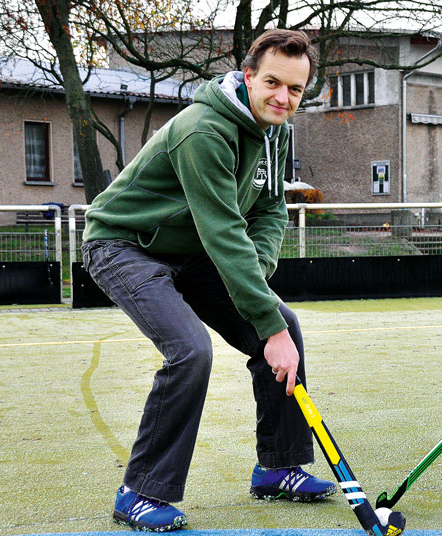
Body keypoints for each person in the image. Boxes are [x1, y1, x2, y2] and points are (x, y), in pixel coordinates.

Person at [81, 29, 336, 532]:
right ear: (247, 77)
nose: (283, 97)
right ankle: (140, 492)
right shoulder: (204, 131)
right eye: (272, 83)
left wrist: (258, 284)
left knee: (283, 322)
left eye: (295, 90)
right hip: (124, 244)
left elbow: (269, 209)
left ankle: (277, 467)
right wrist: (265, 322)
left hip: (192, 249)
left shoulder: (276, 131)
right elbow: (223, 232)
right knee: (190, 350)